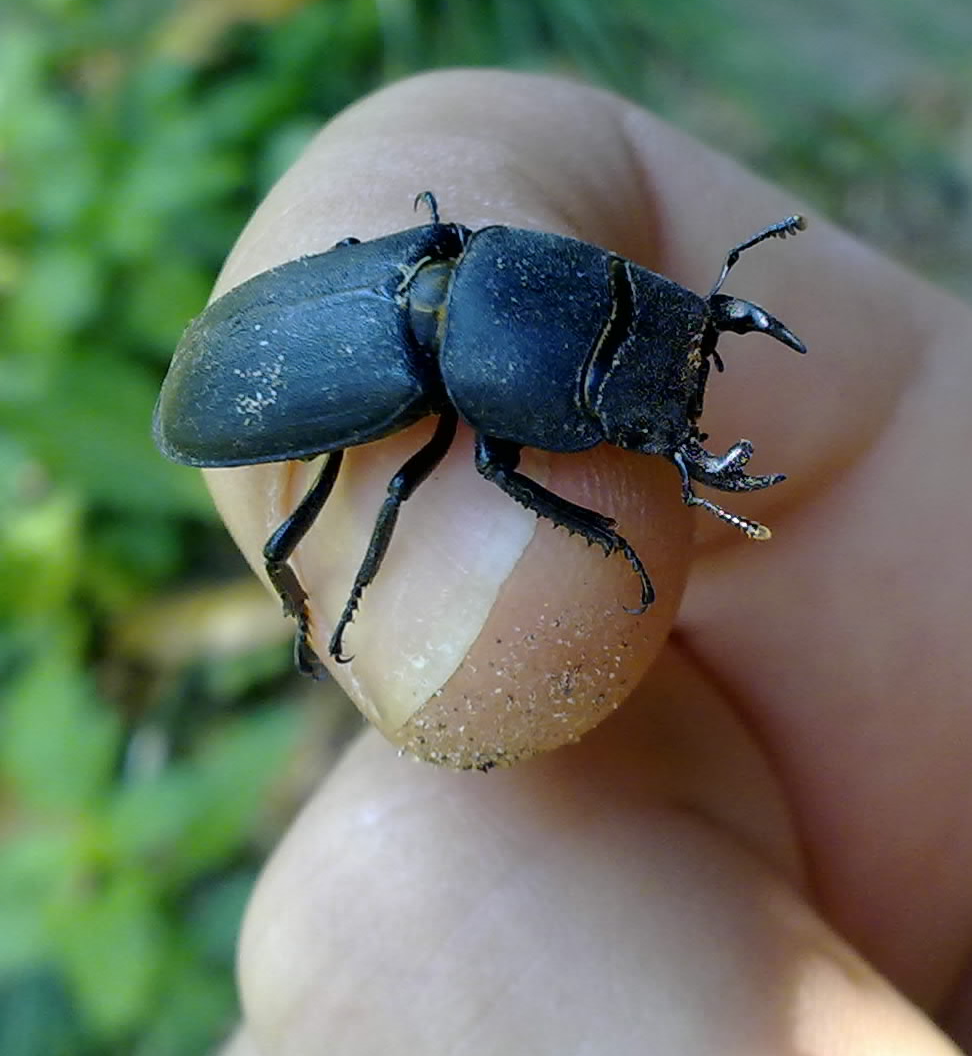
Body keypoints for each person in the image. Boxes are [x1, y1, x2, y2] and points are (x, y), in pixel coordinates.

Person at [211, 70, 972, 1054]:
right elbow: (488, 469)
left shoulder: (457, 258)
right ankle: (319, 604)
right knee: (337, 519)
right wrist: (603, 536)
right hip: (272, 366)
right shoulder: (431, 324)